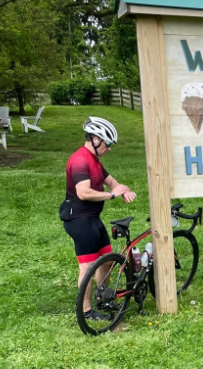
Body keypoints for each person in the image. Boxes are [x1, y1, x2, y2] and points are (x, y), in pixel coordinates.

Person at [63, 116, 137, 321]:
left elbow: (110, 181)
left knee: (106, 259)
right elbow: (83, 193)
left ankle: (102, 295)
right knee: (87, 267)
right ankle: (86, 311)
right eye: (108, 143)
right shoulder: (79, 161)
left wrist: (121, 190)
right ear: (96, 140)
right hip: (79, 219)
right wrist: (111, 195)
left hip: (92, 218)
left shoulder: (94, 160)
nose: (110, 148)